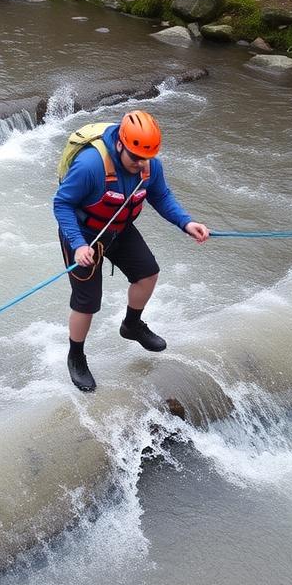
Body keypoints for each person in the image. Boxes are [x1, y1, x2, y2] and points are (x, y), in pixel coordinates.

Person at [53, 110, 209, 392]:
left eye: (145, 158)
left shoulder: (150, 165)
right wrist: (77, 245)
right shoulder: (91, 166)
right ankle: (76, 356)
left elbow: (161, 196)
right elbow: (62, 204)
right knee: (87, 301)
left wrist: (186, 222)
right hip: (83, 235)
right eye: (135, 158)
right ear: (121, 145)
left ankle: (132, 325)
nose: (140, 164)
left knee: (148, 273)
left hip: (119, 229)